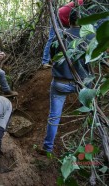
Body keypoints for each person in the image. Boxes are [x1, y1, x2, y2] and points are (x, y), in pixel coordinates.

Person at [42, 10, 92, 153]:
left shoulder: (59, 36)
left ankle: (48, 147)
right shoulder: (89, 37)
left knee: (54, 116)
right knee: (89, 112)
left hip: (60, 82)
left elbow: (53, 58)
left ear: (68, 21)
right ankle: (87, 147)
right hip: (81, 83)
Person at [42, 0, 83, 69]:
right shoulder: (80, 3)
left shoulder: (83, 4)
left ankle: (68, 58)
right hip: (57, 18)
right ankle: (45, 62)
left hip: (66, 21)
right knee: (53, 38)